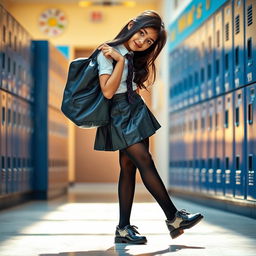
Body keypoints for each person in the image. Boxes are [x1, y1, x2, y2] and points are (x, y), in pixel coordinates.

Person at [94, 10, 203, 244]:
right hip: (119, 114)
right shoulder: (109, 52)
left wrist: (128, 62)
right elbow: (108, 91)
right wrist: (121, 61)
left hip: (135, 109)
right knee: (144, 160)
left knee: (129, 167)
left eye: (149, 41)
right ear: (131, 25)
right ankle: (173, 216)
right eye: (141, 33)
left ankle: (123, 229)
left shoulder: (134, 54)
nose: (142, 41)